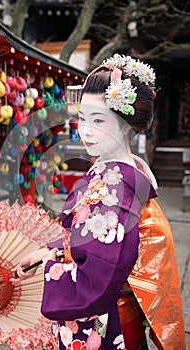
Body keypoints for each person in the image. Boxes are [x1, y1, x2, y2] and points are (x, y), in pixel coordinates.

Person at [11, 54, 186, 350]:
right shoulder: (115, 170)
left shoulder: (118, 187)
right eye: (83, 118)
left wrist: (48, 271)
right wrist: (49, 250)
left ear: (127, 124)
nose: (87, 129)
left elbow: (100, 272)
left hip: (105, 323)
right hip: (110, 317)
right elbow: (87, 237)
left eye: (99, 120)